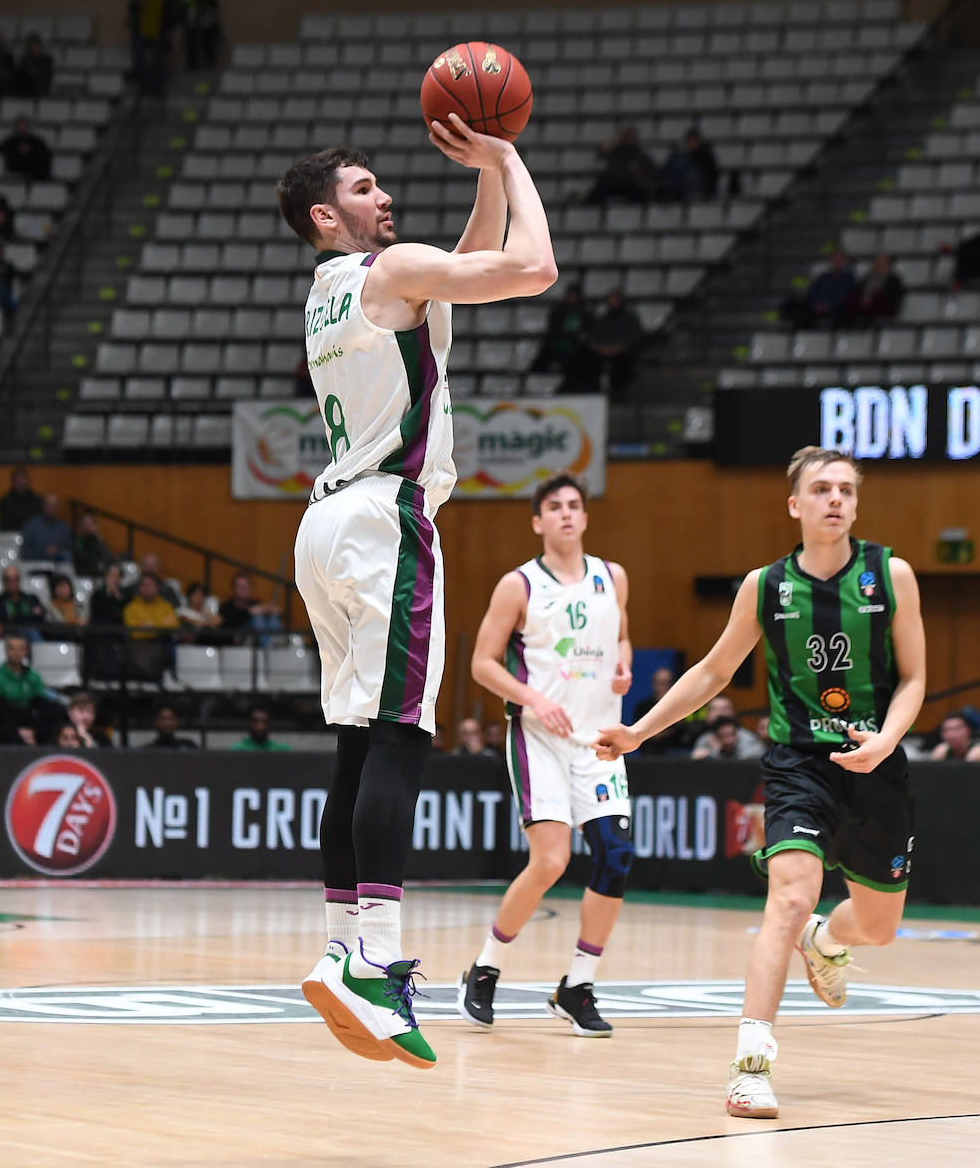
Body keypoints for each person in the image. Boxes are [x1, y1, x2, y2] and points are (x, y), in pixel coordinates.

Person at [277, 118, 556, 1070]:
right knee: (400, 732)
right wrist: (512, 158)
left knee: (358, 740)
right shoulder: (389, 272)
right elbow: (531, 268)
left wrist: (481, 176)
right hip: (388, 517)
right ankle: (380, 959)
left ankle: (343, 944)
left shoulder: (338, 289)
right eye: (364, 187)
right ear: (327, 212)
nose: (384, 195)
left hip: (328, 523)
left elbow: (464, 265)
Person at [594, 446, 926, 1119]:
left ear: (856, 504)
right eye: (822, 488)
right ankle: (750, 1065)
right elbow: (713, 672)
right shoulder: (765, 586)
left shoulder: (891, 575)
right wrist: (639, 731)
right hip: (800, 764)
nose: (836, 498)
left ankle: (828, 943)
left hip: (877, 762)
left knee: (879, 926)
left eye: (846, 489)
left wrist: (888, 737)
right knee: (790, 897)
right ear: (795, 505)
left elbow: (915, 677)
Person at [459, 473, 632, 1037]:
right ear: (538, 521)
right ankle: (485, 968)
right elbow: (483, 663)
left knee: (616, 857)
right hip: (539, 738)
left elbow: (622, 636)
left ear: (585, 517)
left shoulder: (613, 577)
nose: (565, 514)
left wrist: (624, 662)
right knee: (552, 860)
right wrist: (532, 696)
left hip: (599, 739)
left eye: (574, 506)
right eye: (553, 507)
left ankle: (577, 987)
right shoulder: (519, 585)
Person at [0, 634, 58, 745]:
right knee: (3, 729)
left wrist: (33, 729)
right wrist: (18, 731)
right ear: (6, 651)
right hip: (6, 721)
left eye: (21, 649)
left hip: (29, 720)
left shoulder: (33, 676)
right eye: (12, 649)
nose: (16, 653)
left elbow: (42, 705)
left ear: (26, 652)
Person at [582, 289, 643, 396]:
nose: (613, 303)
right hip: (600, 353)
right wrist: (600, 349)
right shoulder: (603, 319)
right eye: (610, 301)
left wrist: (615, 350)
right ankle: (592, 393)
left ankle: (618, 394)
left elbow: (633, 340)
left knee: (622, 366)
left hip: (622, 354)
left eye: (615, 300)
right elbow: (591, 338)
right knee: (586, 361)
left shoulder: (630, 319)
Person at [583, 125, 660, 205]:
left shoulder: (641, 155)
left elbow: (650, 174)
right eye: (623, 136)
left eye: (629, 135)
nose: (626, 138)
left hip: (633, 185)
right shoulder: (614, 152)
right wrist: (605, 148)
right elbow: (599, 158)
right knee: (596, 191)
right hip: (612, 183)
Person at [781, 250, 857, 330]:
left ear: (844, 262)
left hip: (835, 309)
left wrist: (828, 306)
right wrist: (815, 305)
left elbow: (845, 296)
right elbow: (813, 293)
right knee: (794, 307)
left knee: (844, 313)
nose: (836, 262)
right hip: (816, 307)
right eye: (834, 260)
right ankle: (797, 335)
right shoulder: (823, 277)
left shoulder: (848, 278)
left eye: (839, 260)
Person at [528, 284, 591, 381]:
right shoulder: (558, 312)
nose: (572, 298)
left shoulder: (585, 314)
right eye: (570, 295)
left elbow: (586, 333)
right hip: (556, 346)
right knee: (540, 363)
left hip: (575, 349)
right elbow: (553, 331)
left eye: (574, 295)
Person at [634, 666, 694, 754]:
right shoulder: (642, 707)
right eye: (659, 682)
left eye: (666, 683)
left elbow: (682, 730)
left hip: (674, 753)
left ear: (672, 684)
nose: (662, 686)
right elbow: (637, 731)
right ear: (654, 684)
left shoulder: (680, 706)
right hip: (647, 753)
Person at [0, 117, 52, 182]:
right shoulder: (10, 141)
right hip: (15, 172)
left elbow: (45, 154)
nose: (22, 128)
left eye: (23, 126)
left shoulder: (37, 141)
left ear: (27, 127)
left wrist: (30, 151)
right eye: (20, 126)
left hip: (33, 173)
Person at [660, 128, 720, 201]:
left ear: (699, 141)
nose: (691, 143)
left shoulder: (705, 156)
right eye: (689, 141)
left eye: (693, 141)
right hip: (686, 188)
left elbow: (710, 177)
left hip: (701, 189)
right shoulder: (685, 155)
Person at [851, 253, 905, 322]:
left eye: (883, 264)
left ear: (889, 266)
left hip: (882, 310)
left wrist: (872, 297)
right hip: (863, 309)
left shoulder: (894, 281)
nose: (880, 266)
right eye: (878, 263)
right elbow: (857, 293)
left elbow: (893, 300)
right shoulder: (866, 279)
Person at [691, 714, 767, 761]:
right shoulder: (705, 740)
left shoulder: (748, 739)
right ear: (716, 737)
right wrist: (715, 751)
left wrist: (715, 755)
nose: (730, 740)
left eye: (732, 734)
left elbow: (740, 766)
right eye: (724, 736)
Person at [21, 493, 72, 563]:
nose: (53, 508)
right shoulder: (31, 526)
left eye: (55, 506)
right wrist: (44, 552)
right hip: (35, 566)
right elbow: (25, 552)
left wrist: (58, 551)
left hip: (59, 567)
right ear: (43, 506)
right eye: (50, 505)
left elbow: (70, 551)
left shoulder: (63, 527)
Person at [0, 566, 45, 631]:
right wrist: (29, 614)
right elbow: (2, 622)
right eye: (8, 580)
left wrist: (13, 618)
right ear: (4, 581)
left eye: (15, 579)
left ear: (19, 580)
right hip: (8, 633)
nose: (12, 583)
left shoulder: (32, 598)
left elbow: (40, 619)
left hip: (31, 631)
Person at [13, 33, 54, 97]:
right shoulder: (24, 60)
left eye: (36, 45)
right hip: (25, 91)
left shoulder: (47, 60)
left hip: (41, 90)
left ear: (40, 46)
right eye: (31, 45)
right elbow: (20, 77)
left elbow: (46, 77)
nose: (33, 47)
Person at [72, 512, 112, 577]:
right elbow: (81, 557)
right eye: (87, 524)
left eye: (91, 523)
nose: (89, 526)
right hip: (83, 573)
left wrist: (98, 538)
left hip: (97, 572)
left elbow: (107, 556)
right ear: (81, 525)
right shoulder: (77, 539)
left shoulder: (94, 539)